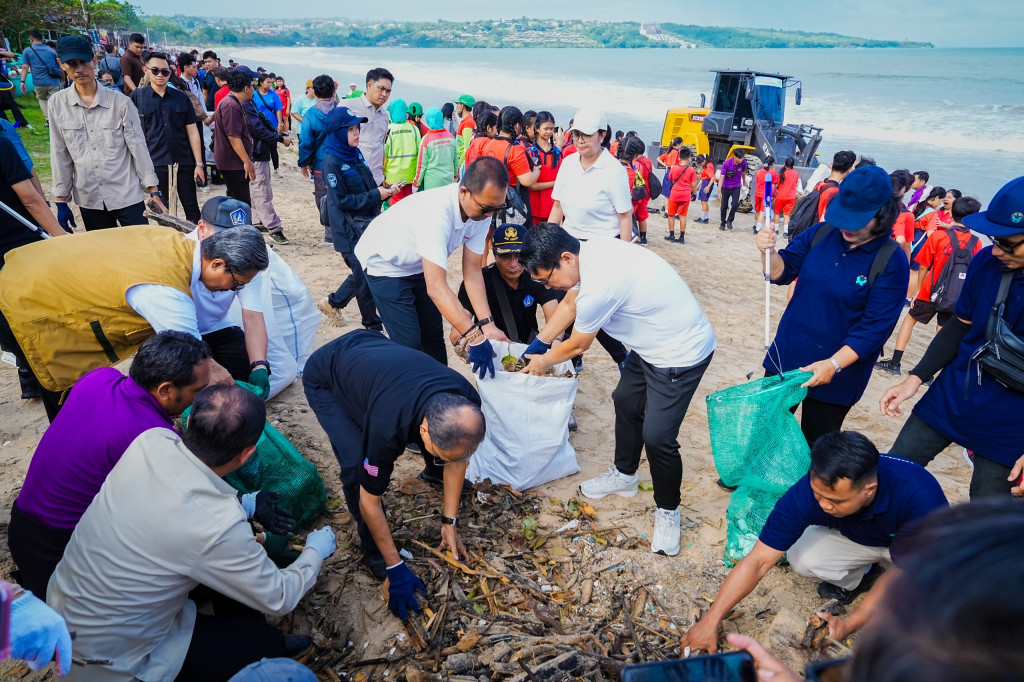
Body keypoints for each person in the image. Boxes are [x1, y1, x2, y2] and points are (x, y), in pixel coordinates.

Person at [47, 384, 337, 681]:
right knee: (264, 646)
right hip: (111, 660)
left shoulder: (151, 441)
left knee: (237, 544)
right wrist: (315, 549)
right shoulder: (217, 526)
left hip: (67, 609)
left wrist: (246, 504)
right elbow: (281, 596)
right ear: (248, 453)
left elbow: (173, 502)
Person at [518, 224, 716, 556]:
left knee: (657, 437)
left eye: (546, 279)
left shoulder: (602, 282)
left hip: (680, 354)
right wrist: (538, 343)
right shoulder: (588, 252)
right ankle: (624, 475)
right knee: (625, 399)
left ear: (566, 258)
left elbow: (578, 344)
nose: (546, 287)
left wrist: (543, 361)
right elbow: (568, 304)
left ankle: (668, 511)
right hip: (649, 345)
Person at [680, 431, 947, 654]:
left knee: (922, 601)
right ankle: (865, 575)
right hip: (861, 539)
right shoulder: (807, 492)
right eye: (818, 495)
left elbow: (902, 574)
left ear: (869, 490)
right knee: (803, 558)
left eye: (836, 501)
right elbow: (759, 560)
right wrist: (711, 619)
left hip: (914, 546)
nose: (824, 505)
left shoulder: (920, 498)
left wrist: (850, 622)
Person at [7, 331, 216, 597]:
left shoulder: (100, 377)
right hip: (62, 552)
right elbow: (187, 512)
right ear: (165, 389)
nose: (201, 397)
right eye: (197, 391)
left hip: (22, 529)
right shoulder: (151, 436)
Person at [0, 223, 267, 421]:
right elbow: (193, 355)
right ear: (218, 264)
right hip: (24, 303)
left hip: (29, 270)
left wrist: (257, 365)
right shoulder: (166, 290)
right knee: (67, 391)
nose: (232, 291)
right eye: (236, 284)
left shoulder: (172, 241)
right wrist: (219, 376)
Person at [303, 330, 484, 598]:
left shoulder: (468, 407)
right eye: (444, 459)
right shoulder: (387, 429)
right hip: (326, 373)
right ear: (423, 432)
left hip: (372, 348)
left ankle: (434, 471)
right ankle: (373, 550)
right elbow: (370, 501)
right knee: (355, 465)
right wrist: (395, 565)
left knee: (449, 447)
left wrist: (450, 521)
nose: (457, 463)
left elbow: (458, 459)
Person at [880, 176, 1024, 498]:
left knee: (987, 515)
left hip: (1012, 419)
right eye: (993, 238)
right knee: (893, 471)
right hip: (957, 390)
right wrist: (915, 378)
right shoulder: (987, 262)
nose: (996, 250)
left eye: (1007, 243)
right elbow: (960, 326)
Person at [756, 165, 909, 447]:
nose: (847, 227)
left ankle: (802, 490)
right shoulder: (822, 233)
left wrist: (833, 364)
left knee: (816, 441)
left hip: (838, 371)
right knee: (768, 426)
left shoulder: (891, 260)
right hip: (787, 354)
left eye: (858, 220)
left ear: (882, 214)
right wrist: (768, 251)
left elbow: (874, 329)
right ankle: (755, 478)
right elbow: (781, 272)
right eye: (844, 217)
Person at [354, 157, 511, 370]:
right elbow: (436, 288)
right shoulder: (437, 213)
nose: (490, 215)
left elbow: (473, 271)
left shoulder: (481, 212)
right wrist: (474, 336)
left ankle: (440, 393)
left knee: (433, 336)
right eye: (486, 208)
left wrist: (488, 325)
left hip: (419, 262)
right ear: (464, 191)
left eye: (497, 208)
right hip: (385, 262)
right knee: (409, 343)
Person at [48, 36, 163, 231]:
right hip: (89, 197)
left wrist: (153, 191)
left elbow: (138, 148)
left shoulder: (120, 102)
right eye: (71, 64)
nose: (79, 69)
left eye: (84, 62)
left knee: (139, 249)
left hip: (126, 193)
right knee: (103, 255)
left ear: (94, 61)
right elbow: (59, 151)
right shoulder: (57, 104)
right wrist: (61, 200)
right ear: (61, 64)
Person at [876, 196, 982, 376]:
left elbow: (924, 265)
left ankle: (895, 363)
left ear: (953, 212)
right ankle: (929, 373)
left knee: (910, 320)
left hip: (929, 290)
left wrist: (918, 290)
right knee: (943, 331)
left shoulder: (940, 236)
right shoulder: (977, 242)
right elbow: (975, 272)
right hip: (955, 295)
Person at [317, 106, 393, 330]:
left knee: (365, 272)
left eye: (357, 127)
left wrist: (384, 191)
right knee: (364, 278)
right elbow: (342, 200)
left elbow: (367, 185)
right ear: (339, 133)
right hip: (348, 231)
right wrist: (375, 194)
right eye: (350, 129)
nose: (357, 132)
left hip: (367, 224)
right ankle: (372, 326)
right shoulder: (331, 162)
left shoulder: (355, 154)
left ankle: (333, 302)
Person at [450, 223, 559, 345]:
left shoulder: (537, 277)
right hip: (490, 347)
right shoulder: (477, 282)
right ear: (493, 253)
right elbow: (456, 333)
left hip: (527, 348)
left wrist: (553, 343)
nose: (513, 264)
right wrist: (466, 345)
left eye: (519, 256)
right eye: (505, 256)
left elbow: (556, 318)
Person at [130, 52, 205, 224]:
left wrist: (199, 164)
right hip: (155, 162)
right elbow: (132, 134)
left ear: (170, 73)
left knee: (191, 208)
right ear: (146, 70)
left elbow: (193, 132)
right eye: (155, 70)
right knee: (163, 211)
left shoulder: (181, 98)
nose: (160, 75)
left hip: (184, 161)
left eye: (165, 72)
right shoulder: (137, 97)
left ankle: (193, 245)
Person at [547, 109, 633, 242]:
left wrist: (622, 254)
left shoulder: (614, 171)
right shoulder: (568, 164)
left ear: (602, 136)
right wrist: (548, 242)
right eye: (576, 134)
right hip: (569, 243)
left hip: (604, 244)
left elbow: (625, 216)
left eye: (586, 135)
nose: (580, 141)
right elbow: (557, 206)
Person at [244, 81, 293, 244]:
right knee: (262, 190)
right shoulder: (245, 104)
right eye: (251, 85)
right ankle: (274, 228)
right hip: (256, 152)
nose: (253, 89)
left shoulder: (247, 102)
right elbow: (258, 129)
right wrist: (279, 138)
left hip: (257, 152)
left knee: (256, 188)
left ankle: (258, 221)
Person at [297, 75, 338, 247]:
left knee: (323, 198)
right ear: (334, 90)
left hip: (322, 163)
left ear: (314, 91)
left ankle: (330, 236)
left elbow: (306, 141)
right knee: (341, 195)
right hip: (342, 160)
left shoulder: (311, 114)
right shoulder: (341, 109)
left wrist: (304, 163)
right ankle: (341, 232)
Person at [214, 67, 257, 206]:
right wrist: (246, 161)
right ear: (245, 88)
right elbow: (233, 137)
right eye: (252, 86)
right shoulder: (231, 105)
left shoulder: (235, 103)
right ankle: (241, 228)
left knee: (236, 198)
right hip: (233, 162)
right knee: (241, 202)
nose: (253, 90)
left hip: (234, 161)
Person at [346, 67, 393, 185]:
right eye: (381, 88)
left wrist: (382, 177)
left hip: (376, 179)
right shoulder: (349, 107)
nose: (384, 94)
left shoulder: (385, 116)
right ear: (369, 85)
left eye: (388, 91)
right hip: (353, 177)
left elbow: (381, 146)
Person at [19, 30, 61, 126]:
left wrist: (22, 81)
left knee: (42, 99)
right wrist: (63, 78)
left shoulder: (28, 51)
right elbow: (59, 65)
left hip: (39, 81)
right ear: (42, 40)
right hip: (53, 80)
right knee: (55, 99)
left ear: (31, 39)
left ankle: (49, 120)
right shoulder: (51, 51)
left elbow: (25, 67)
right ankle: (58, 118)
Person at [383, 98, 420, 205]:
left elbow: (383, 155)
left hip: (393, 178)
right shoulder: (414, 129)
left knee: (397, 207)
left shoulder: (388, 130)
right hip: (411, 176)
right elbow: (419, 152)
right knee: (410, 205)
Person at [526, 111, 561, 225]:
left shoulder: (557, 153)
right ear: (536, 128)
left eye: (552, 129)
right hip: (533, 208)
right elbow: (532, 186)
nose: (549, 132)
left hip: (553, 210)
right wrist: (555, 183)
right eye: (546, 128)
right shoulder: (530, 153)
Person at [414, 107, 458, 191]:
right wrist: (455, 176)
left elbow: (421, 165)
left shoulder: (426, 139)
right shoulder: (451, 137)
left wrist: (416, 184)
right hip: (449, 181)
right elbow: (455, 160)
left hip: (432, 184)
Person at [663, 147, 698, 243]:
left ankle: (671, 235)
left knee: (671, 215)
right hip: (685, 195)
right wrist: (694, 193)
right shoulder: (691, 170)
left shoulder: (674, 168)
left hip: (675, 194)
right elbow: (694, 184)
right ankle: (682, 237)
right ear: (688, 158)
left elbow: (670, 178)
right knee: (682, 216)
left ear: (679, 157)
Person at [814, 150, 858, 222]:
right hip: (820, 229)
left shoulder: (820, 184)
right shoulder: (835, 192)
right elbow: (824, 219)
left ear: (831, 165)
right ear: (850, 170)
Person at [252, 74, 283, 175]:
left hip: (271, 124)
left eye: (271, 82)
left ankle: (276, 168)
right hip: (258, 124)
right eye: (268, 82)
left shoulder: (274, 95)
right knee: (258, 145)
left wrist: (280, 123)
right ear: (261, 83)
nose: (270, 84)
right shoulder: (254, 94)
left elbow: (278, 110)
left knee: (273, 146)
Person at [454, 94, 476, 167]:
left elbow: (466, 148)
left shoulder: (468, 123)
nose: (456, 107)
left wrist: (459, 166)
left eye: (457, 104)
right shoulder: (467, 121)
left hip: (462, 162)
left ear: (462, 106)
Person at [694, 153, 715, 224]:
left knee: (704, 201)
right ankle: (705, 217)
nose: (701, 164)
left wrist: (708, 186)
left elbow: (712, 177)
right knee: (704, 201)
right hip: (705, 182)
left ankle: (703, 218)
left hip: (707, 183)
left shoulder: (707, 167)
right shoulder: (709, 164)